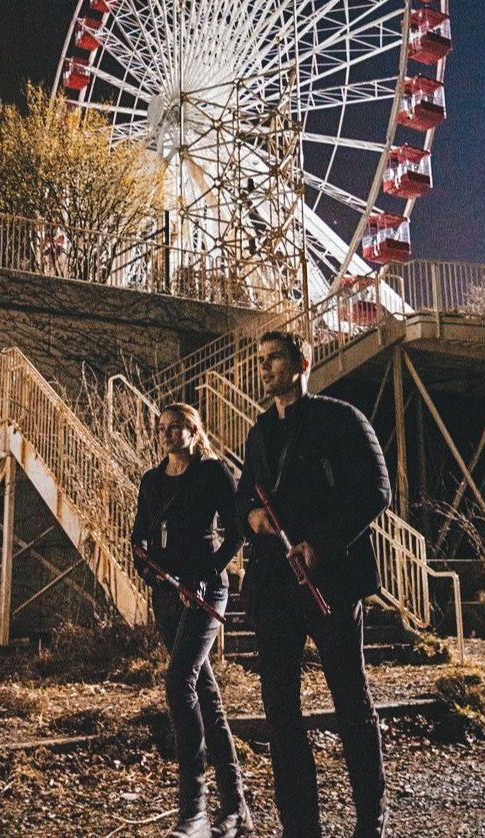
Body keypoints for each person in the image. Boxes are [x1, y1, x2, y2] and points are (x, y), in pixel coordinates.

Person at [236, 331, 391, 838]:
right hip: (274, 588)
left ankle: (370, 820)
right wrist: (252, 517)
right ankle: (300, 826)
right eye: (261, 360)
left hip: (330, 583)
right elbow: (243, 497)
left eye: (275, 358)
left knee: (351, 702)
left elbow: (376, 490)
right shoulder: (260, 431)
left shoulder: (342, 419)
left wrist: (320, 544)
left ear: (302, 363)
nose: (264, 368)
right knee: (281, 713)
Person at [131, 403, 254, 838]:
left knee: (178, 681)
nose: (167, 434)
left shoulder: (212, 472)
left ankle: (194, 811)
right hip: (167, 595)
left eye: (176, 426)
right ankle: (236, 807)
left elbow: (238, 530)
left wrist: (208, 572)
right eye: (162, 428)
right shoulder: (151, 480)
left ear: (194, 430)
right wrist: (148, 570)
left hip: (204, 590)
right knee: (205, 694)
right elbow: (138, 536)